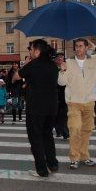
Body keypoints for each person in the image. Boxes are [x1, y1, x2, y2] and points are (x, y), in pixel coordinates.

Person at [58, 39, 96, 169]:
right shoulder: (69, 62)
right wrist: (62, 71)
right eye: (76, 46)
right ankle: (74, 158)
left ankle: (84, 156)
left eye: (81, 46)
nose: (78, 49)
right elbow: (61, 82)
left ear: (86, 47)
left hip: (90, 102)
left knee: (86, 131)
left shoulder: (95, 60)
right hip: (74, 103)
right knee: (75, 129)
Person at [13, 39, 59, 177]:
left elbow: (15, 77)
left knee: (36, 138)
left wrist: (26, 65)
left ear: (37, 51)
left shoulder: (32, 65)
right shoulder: (53, 65)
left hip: (36, 108)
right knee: (48, 136)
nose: (29, 52)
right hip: (51, 107)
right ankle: (52, 164)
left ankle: (41, 170)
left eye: (31, 50)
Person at [54, 53, 69, 140]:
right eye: (58, 57)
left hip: (65, 94)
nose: (60, 59)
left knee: (64, 114)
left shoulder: (67, 68)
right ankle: (59, 131)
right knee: (56, 114)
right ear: (55, 59)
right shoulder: (53, 68)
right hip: (55, 94)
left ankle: (65, 132)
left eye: (61, 57)